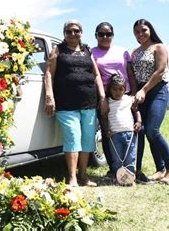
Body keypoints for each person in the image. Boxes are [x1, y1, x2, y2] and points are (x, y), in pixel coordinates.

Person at [44, 20, 107, 187]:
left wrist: (102, 96)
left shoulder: (87, 50)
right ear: (64, 33)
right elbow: (49, 73)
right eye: (69, 31)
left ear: (81, 32)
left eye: (76, 31)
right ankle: (72, 178)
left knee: (87, 140)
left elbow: (96, 75)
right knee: (73, 137)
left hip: (89, 102)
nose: (73, 34)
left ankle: (84, 175)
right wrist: (49, 96)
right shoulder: (58, 50)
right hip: (66, 103)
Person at [132, 19, 169, 184]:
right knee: (141, 131)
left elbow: (160, 71)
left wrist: (144, 90)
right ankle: (159, 169)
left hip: (157, 91)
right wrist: (135, 93)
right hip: (140, 93)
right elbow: (133, 75)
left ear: (150, 30)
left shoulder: (159, 47)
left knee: (153, 130)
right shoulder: (135, 52)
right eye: (137, 32)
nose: (140, 34)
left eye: (144, 30)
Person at [91, 22, 137, 179]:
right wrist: (102, 98)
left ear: (113, 35)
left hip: (125, 95)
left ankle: (132, 169)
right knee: (108, 132)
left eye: (108, 34)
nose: (105, 37)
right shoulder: (92, 52)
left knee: (131, 129)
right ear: (96, 35)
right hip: (104, 97)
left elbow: (130, 74)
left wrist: (135, 94)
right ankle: (114, 169)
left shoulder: (122, 51)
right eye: (101, 34)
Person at [100, 74, 141, 186]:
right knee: (117, 159)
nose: (117, 92)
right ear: (109, 89)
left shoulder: (128, 100)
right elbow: (104, 117)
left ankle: (130, 179)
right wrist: (106, 129)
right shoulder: (107, 102)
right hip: (114, 136)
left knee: (130, 158)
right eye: (114, 89)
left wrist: (138, 122)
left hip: (130, 134)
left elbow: (136, 110)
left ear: (125, 89)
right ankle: (118, 178)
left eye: (121, 89)